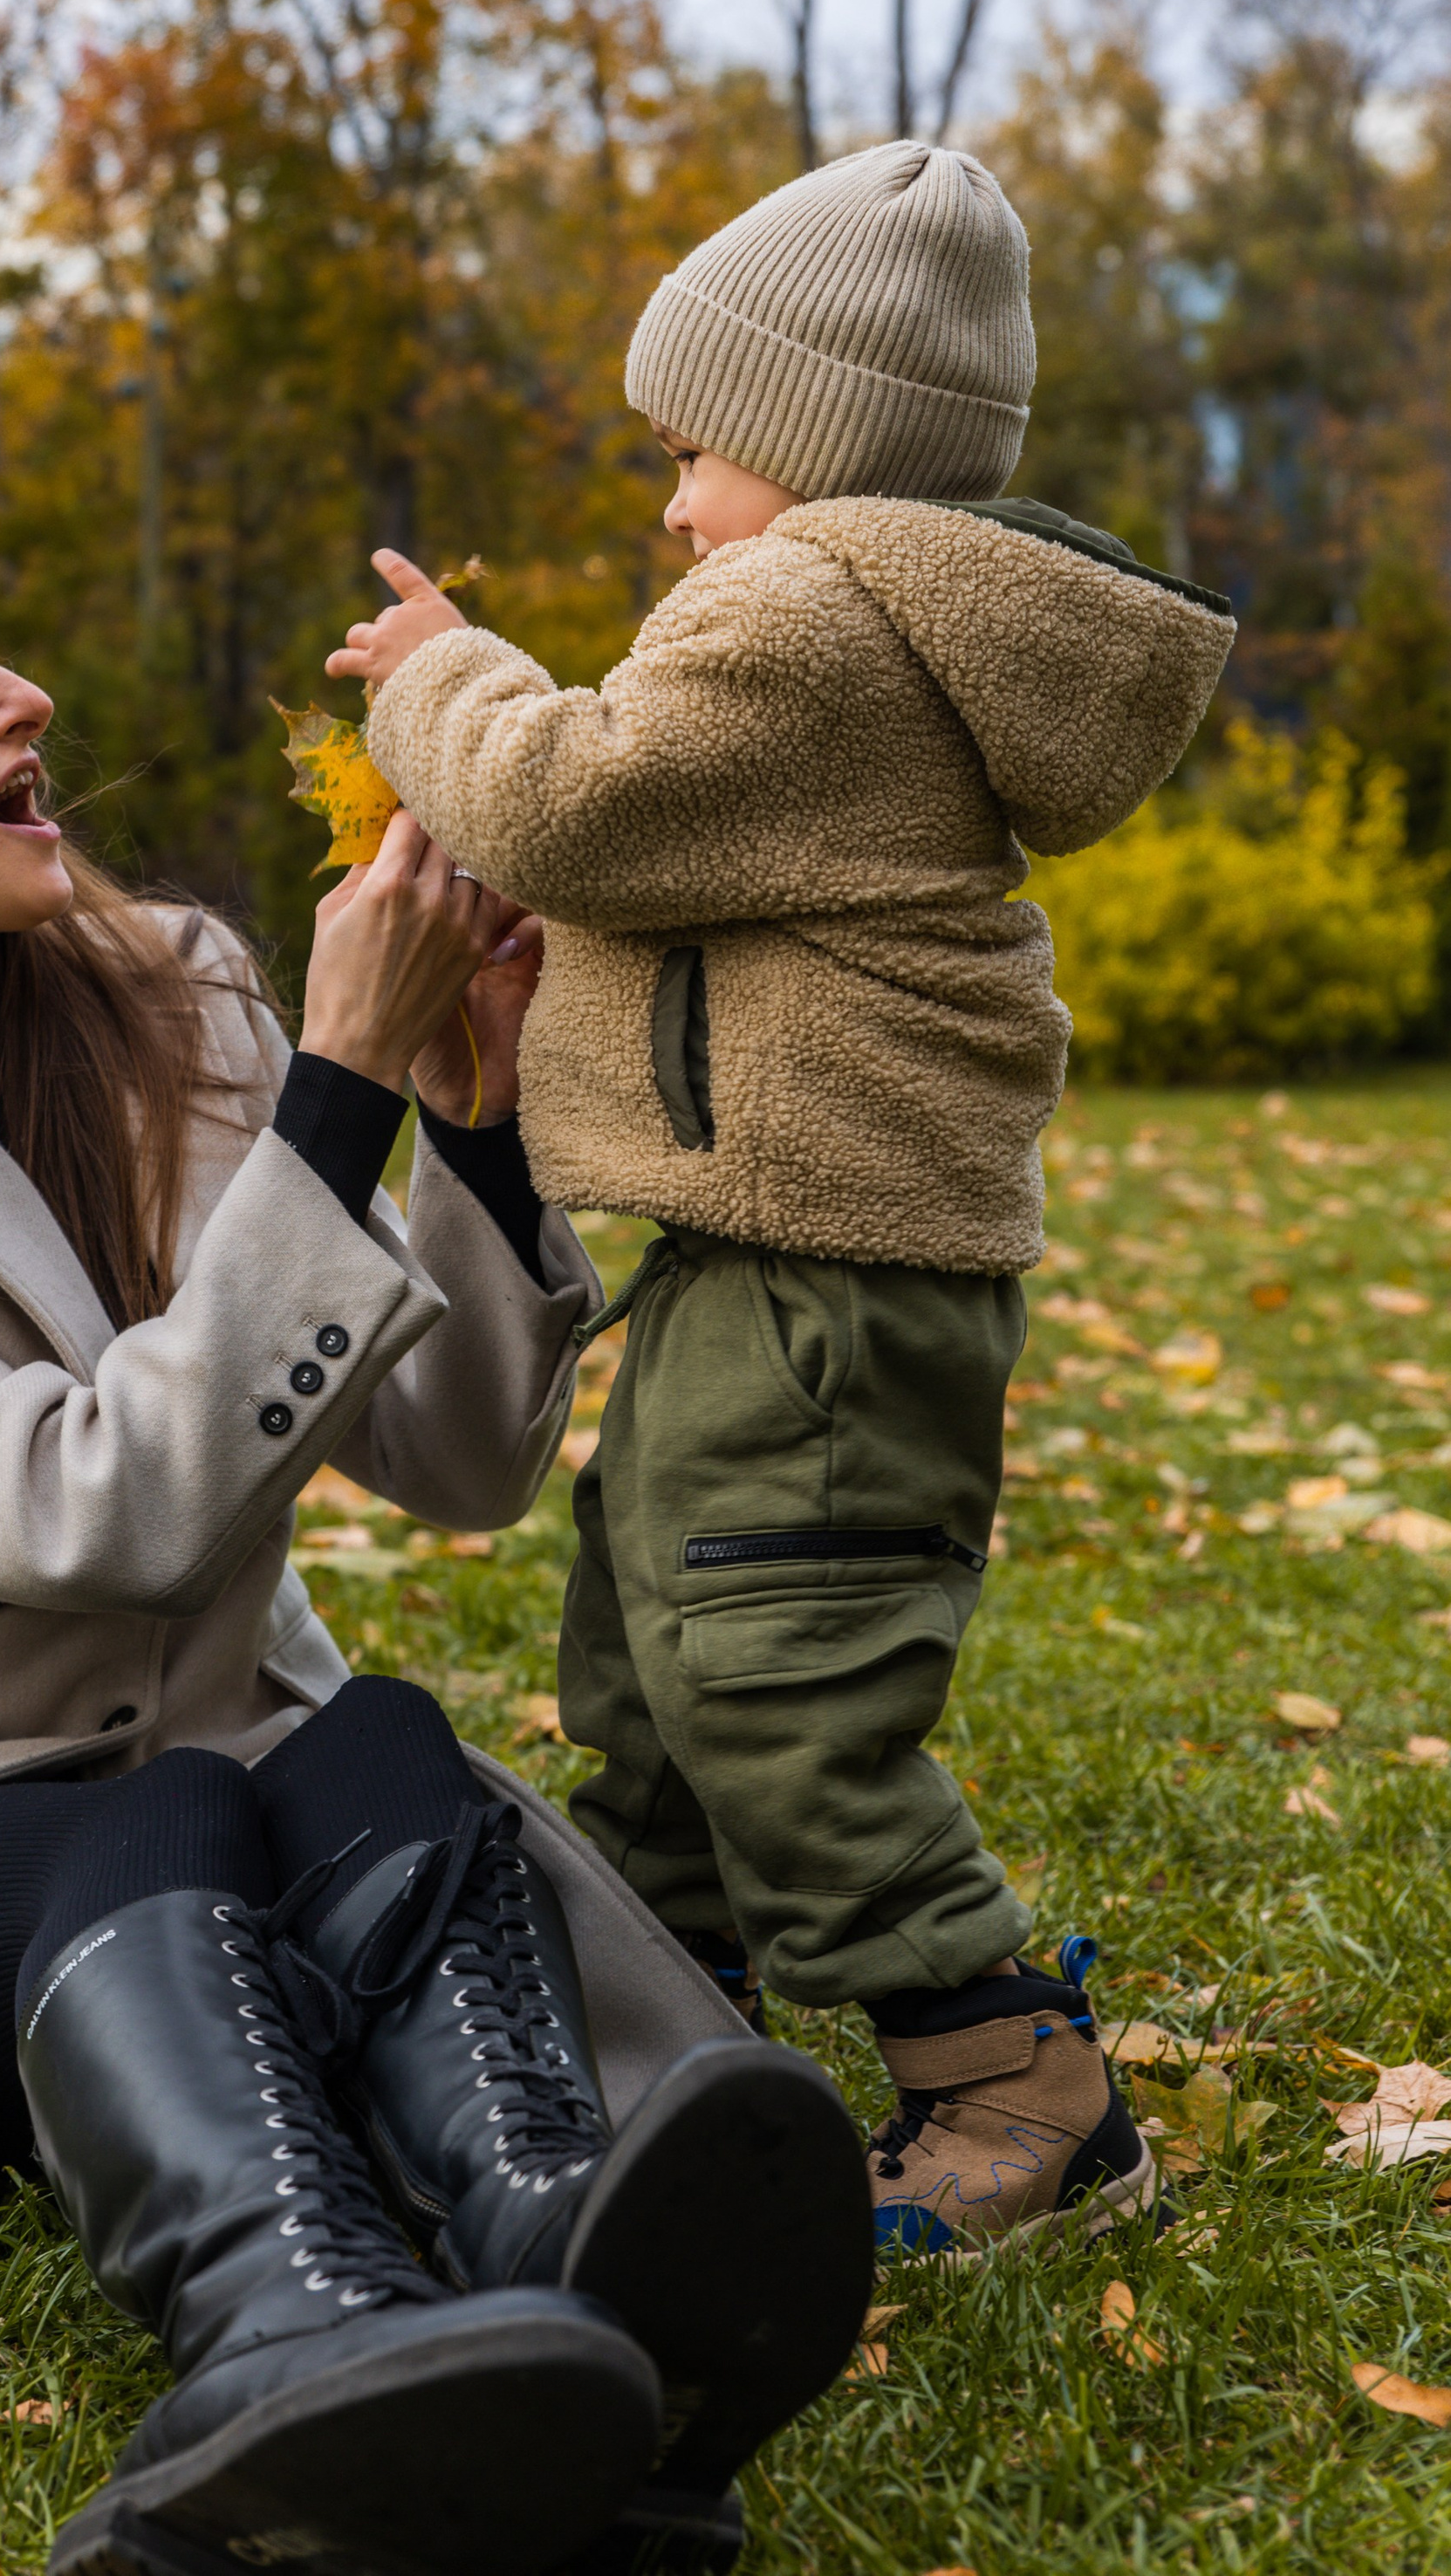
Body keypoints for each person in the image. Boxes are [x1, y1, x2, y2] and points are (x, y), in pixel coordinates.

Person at [0, 498, 871, 2576]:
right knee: (162, 1822)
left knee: (371, 1739)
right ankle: (285, 2339)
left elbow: (455, 1459)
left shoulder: (177, 1002)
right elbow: (104, 1512)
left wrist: (466, 1122)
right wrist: (339, 1083)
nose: (19, 693)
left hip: (231, 1772)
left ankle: (558, 2239)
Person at [330, 139, 1238, 2260]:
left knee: (767, 1666)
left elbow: (572, 799)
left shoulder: (809, 606)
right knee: (653, 1635)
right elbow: (682, 875)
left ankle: (1013, 2082)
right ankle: (661, 2025)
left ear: (816, 443)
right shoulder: (858, 622)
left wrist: (445, 670)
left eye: (692, 451)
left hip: (828, 1275)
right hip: (780, 1251)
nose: (671, 507)